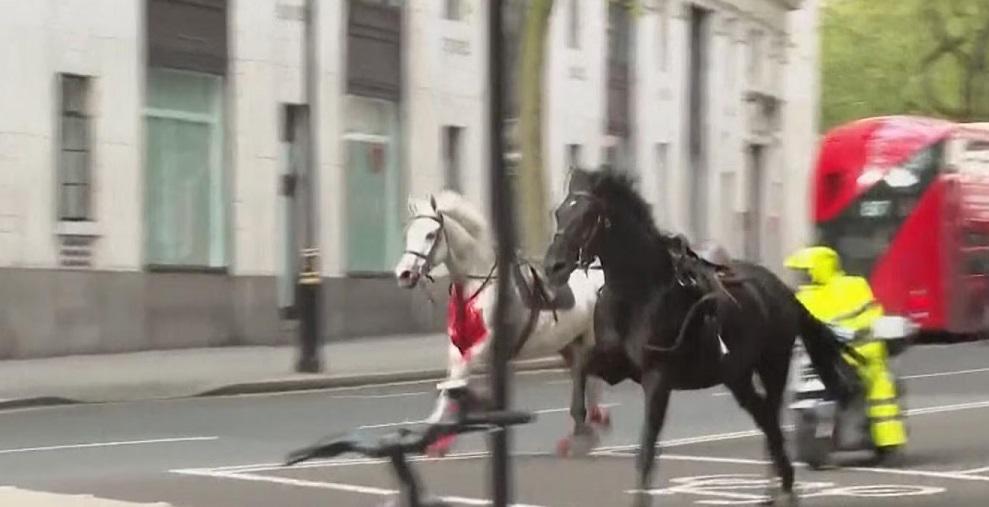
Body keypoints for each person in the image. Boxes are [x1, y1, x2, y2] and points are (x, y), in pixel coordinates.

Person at [785, 246, 907, 453]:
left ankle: (886, 440)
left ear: (820, 268)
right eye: (801, 272)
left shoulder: (853, 286)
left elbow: (872, 313)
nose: (803, 276)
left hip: (860, 351)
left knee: (880, 387)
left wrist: (858, 331)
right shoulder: (802, 295)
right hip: (821, 353)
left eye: (807, 270)